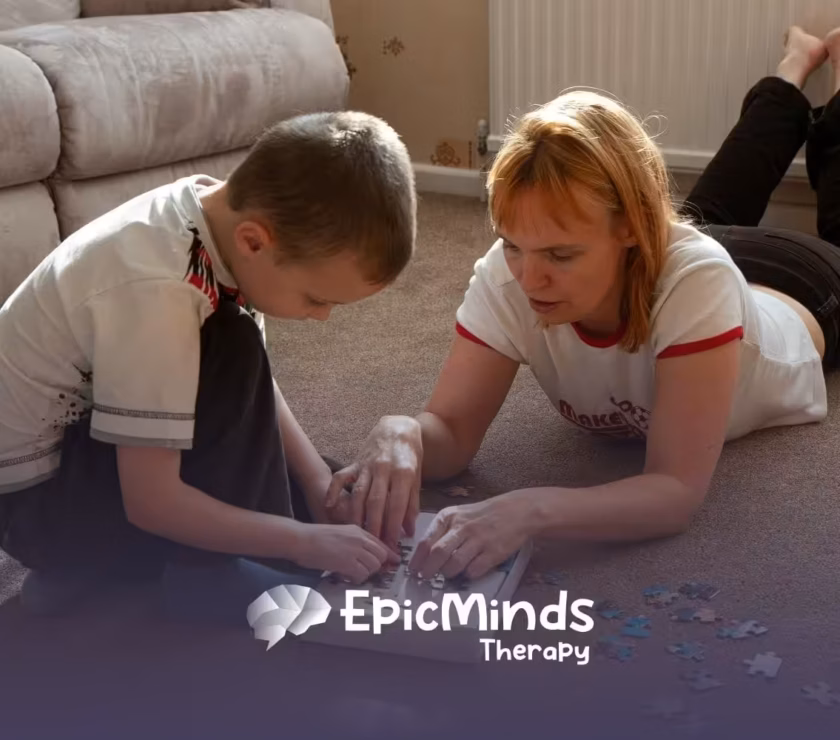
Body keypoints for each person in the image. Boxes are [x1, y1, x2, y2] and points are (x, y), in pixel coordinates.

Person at [324, 26, 840, 581]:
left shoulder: (697, 280)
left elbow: (673, 493)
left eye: (561, 255)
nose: (530, 278)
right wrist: (400, 429)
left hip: (799, 286)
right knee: (719, 197)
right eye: (514, 244)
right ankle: (794, 67)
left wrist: (528, 510)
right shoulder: (512, 273)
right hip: (669, 262)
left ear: (630, 230)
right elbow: (450, 435)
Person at [0, 111, 415, 618]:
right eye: (315, 298)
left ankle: (109, 575)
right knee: (231, 340)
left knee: (247, 374)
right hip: (39, 513)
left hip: (82, 460)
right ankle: (196, 572)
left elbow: (250, 387)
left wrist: (313, 484)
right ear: (254, 241)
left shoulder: (215, 220)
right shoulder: (159, 288)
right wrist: (299, 541)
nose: (322, 318)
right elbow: (151, 501)